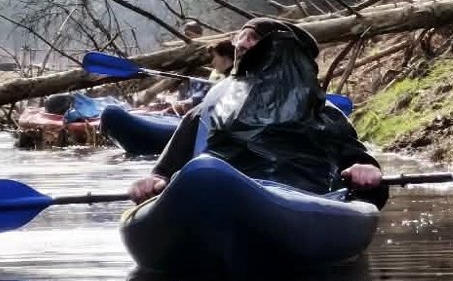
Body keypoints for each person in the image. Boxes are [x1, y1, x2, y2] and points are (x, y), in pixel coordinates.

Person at [129, 18, 387, 208]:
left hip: (302, 203)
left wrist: (366, 171)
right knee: (205, 167)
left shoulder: (323, 114)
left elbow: (369, 179)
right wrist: (151, 182)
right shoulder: (204, 113)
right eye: (240, 43)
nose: (241, 44)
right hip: (218, 204)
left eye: (254, 42)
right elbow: (161, 173)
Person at [167, 39, 235, 115]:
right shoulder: (226, 78)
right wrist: (191, 101)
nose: (213, 62)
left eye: (215, 57)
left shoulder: (233, 82)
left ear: (225, 58)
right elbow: (207, 91)